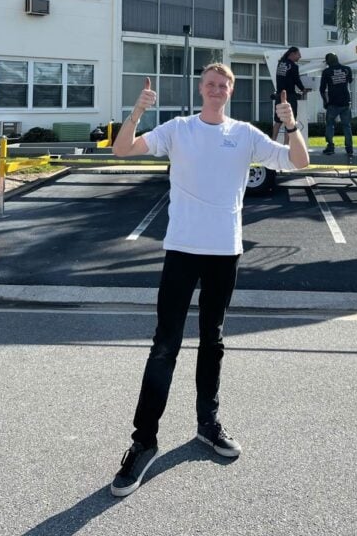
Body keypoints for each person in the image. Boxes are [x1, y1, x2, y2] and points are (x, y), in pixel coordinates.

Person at [110, 64, 309, 497]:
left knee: (212, 341)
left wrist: (291, 124)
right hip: (181, 248)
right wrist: (136, 113)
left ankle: (207, 424)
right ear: (201, 89)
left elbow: (299, 161)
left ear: (230, 91)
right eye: (211, 84)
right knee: (165, 345)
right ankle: (143, 441)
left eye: (224, 85)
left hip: (225, 252)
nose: (217, 90)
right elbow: (122, 150)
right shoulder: (178, 129)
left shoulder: (245, 134)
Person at [320, 52, 354, 158]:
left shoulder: (326, 72)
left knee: (330, 125)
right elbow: (350, 80)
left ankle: (330, 147)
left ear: (328, 62)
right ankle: (349, 149)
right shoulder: (347, 69)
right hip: (345, 102)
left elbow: (322, 89)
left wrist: (325, 102)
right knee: (347, 126)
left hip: (333, 103)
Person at [271, 46, 308, 140]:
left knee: (278, 121)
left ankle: (273, 141)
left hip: (279, 95)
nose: (300, 57)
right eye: (298, 54)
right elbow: (297, 80)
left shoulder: (280, 64)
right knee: (289, 121)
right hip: (290, 96)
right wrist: (303, 89)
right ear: (292, 54)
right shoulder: (294, 66)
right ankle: (286, 145)